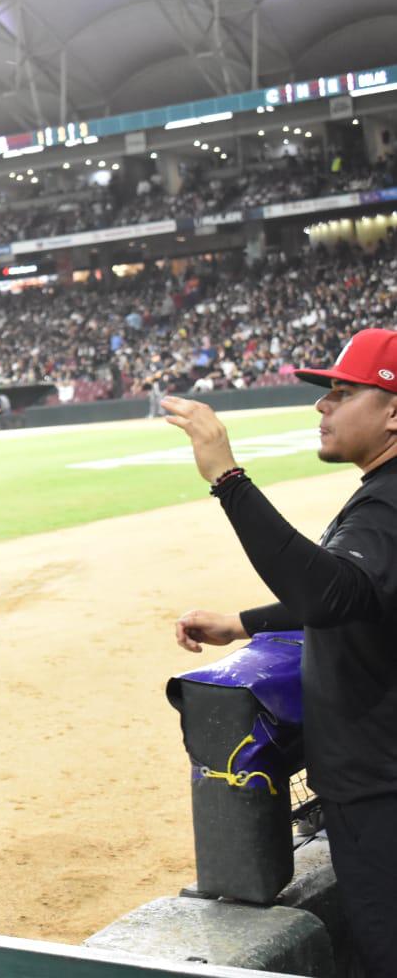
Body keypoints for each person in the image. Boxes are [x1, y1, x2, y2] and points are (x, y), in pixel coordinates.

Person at [165, 327, 397, 976]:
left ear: (394, 411)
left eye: (341, 393)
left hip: (381, 793)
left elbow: (328, 593)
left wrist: (228, 478)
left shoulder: (387, 506)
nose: (321, 407)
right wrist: (242, 622)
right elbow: (360, 597)